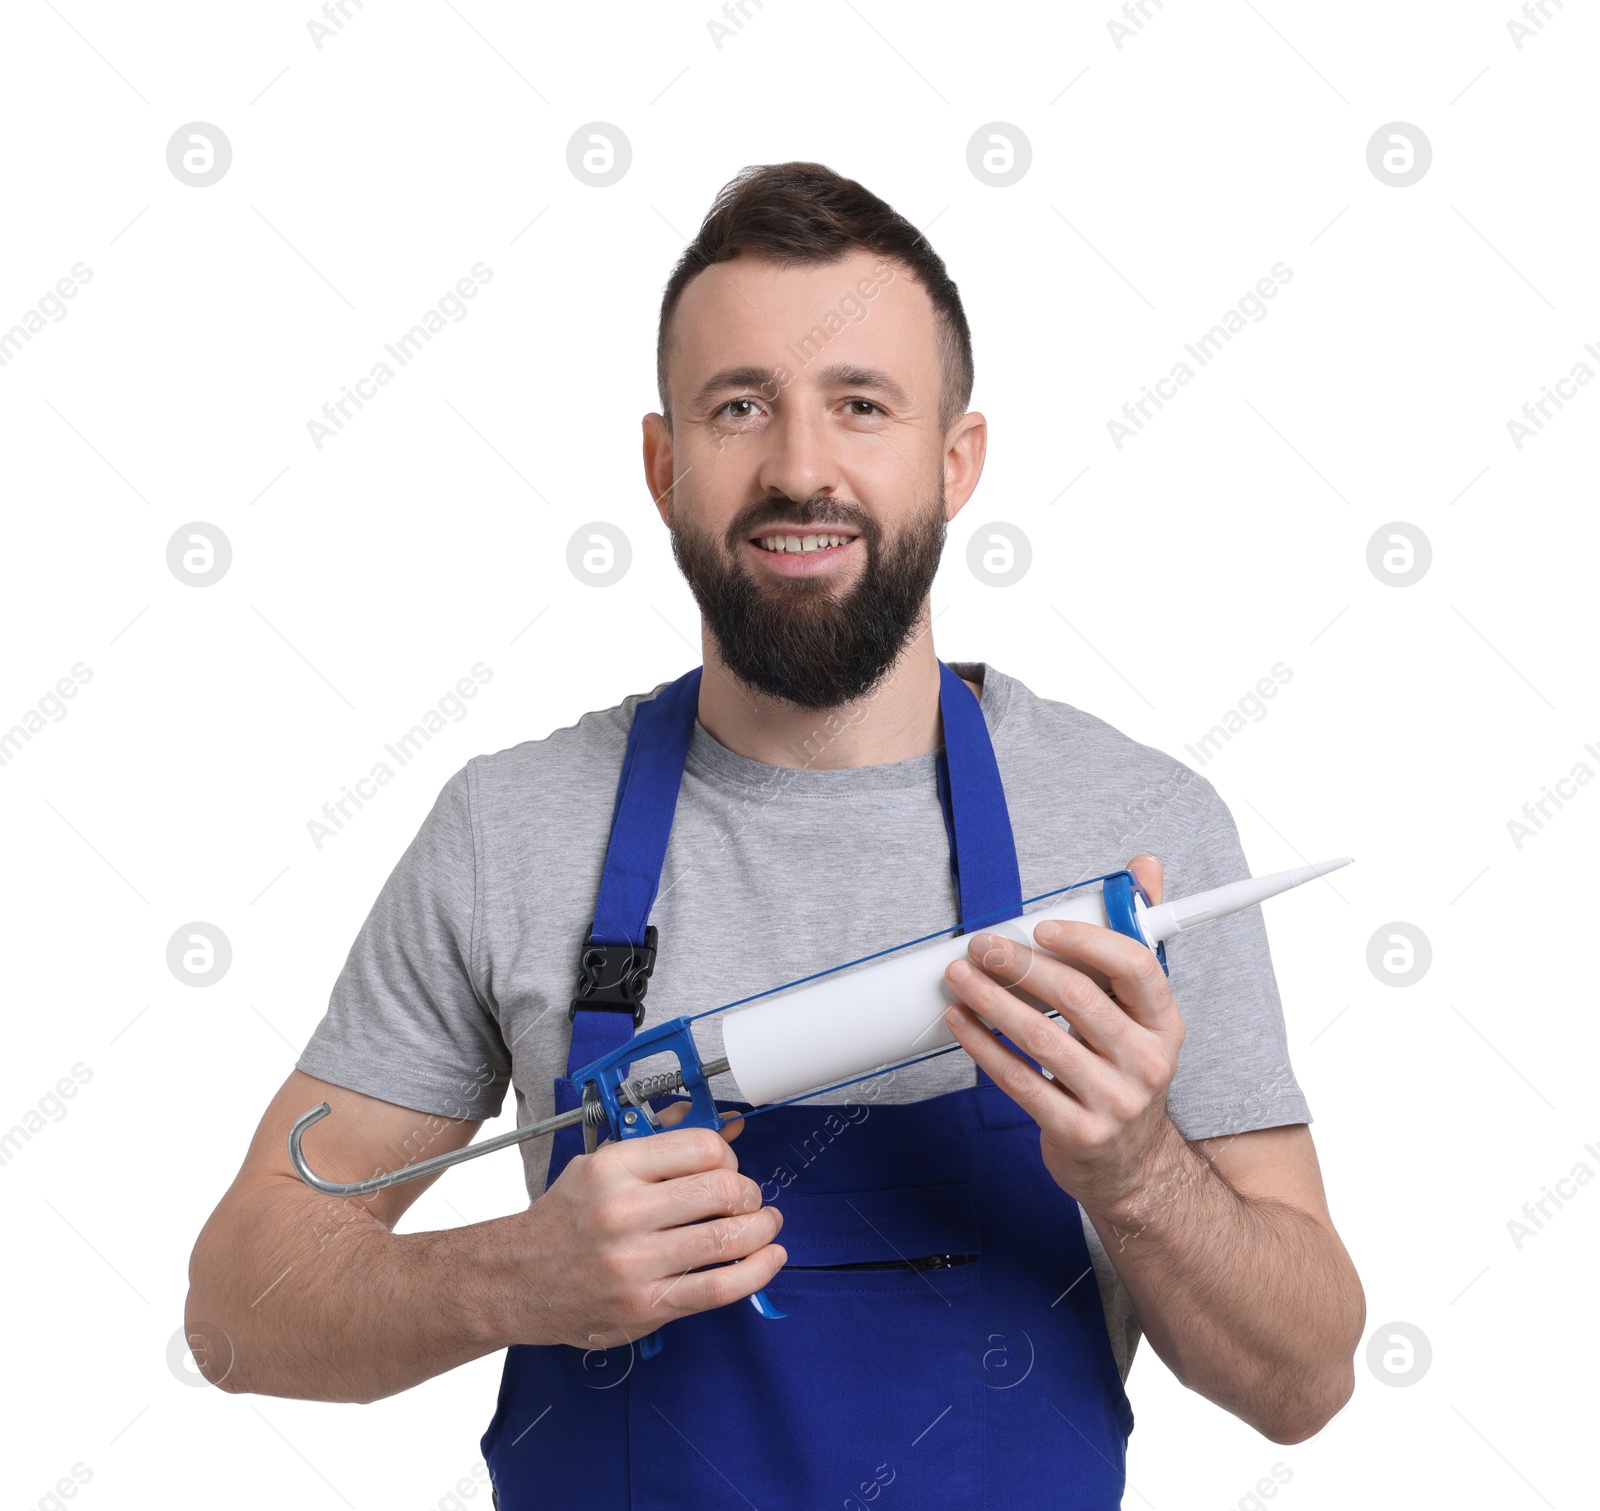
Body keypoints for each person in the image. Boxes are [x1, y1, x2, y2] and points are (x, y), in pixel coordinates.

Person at [185, 161, 1364, 1507]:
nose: (803, 470)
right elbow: (237, 1314)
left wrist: (1139, 1170)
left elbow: (1304, 1381)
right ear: (663, 462)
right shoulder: (512, 830)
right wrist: (511, 1275)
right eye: (740, 407)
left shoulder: (1135, 829)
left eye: (862, 406)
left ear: (956, 460)